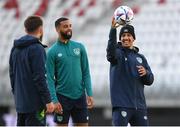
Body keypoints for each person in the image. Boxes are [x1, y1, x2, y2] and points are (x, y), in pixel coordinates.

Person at [46, 17, 94, 126]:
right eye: (65, 26)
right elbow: (49, 78)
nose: (69, 29)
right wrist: (54, 100)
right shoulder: (52, 52)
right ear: (58, 29)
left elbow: (86, 72)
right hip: (62, 98)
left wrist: (89, 93)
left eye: (70, 26)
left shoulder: (80, 47)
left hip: (80, 96)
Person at [106, 18, 154, 126]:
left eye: (128, 36)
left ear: (133, 38)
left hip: (140, 106)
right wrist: (113, 30)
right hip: (121, 105)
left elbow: (150, 80)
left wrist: (146, 73)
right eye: (123, 36)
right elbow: (110, 53)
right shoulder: (117, 54)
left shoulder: (140, 58)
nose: (125, 38)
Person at [9, 15, 54, 126]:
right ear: (40, 29)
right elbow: (40, 77)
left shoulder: (15, 48)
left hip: (20, 104)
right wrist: (48, 100)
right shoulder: (37, 48)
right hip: (36, 105)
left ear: (25, 29)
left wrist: (18, 97)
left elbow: (12, 76)